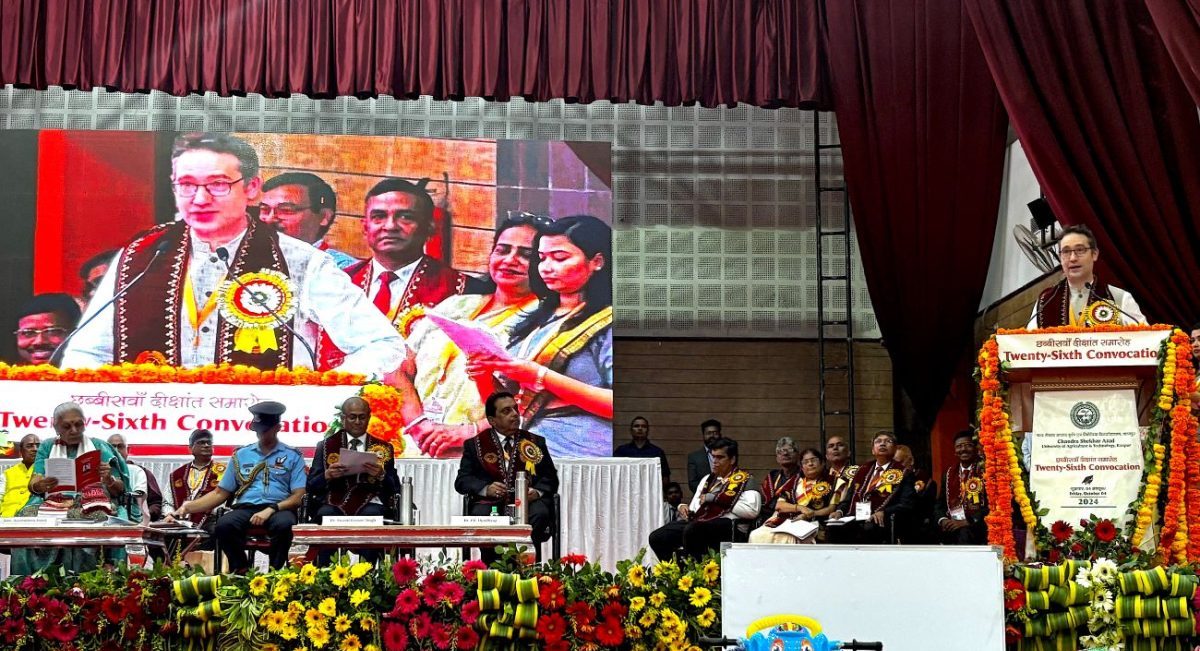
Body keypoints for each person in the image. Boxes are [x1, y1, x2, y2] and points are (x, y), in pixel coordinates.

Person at [60, 132, 406, 377]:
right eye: (186, 185)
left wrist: (323, 395)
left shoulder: (300, 262)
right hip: (152, 435)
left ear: (252, 188)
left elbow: (384, 346)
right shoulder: (140, 257)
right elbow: (85, 354)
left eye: (218, 185)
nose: (199, 199)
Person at [396, 213, 549, 458]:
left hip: (481, 451)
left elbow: (536, 404)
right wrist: (418, 425)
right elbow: (399, 369)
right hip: (414, 440)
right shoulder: (456, 305)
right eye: (503, 250)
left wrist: (468, 432)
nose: (510, 260)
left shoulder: (545, 320)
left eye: (526, 255)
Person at [465, 215, 613, 458]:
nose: (546, 267)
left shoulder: (607, 322)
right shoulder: (535, 316)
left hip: (583, 452)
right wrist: (483, 374)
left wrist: (540, 376)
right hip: (526, 450)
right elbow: (506, 407)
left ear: (596, 261)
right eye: (542, 258)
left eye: (560, 258)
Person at [317, 177, 484, 369]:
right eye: (378, 216)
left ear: (430, 227)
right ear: (365, 227)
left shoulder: (464, 290)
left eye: (405, 217)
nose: (390, 226)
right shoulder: (337, 284)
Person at [168, 401, 306, 572]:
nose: (261, 434)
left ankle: (275, 574)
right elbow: (220, 493)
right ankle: (241, 571)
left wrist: (271, 509)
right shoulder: (241, 455)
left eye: (265, 430)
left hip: (279, 508)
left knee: (285, 525)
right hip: (246, 508)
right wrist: (187, 507)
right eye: (258, 430)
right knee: (224, 525)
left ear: (278, 428)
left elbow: (299, 495)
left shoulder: (292, 456)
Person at [14, 402, 131, 574]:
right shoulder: (47, 446)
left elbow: (120, 489)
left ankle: (84, 581)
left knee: (88, 517)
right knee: (23, 518)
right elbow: (34, 482)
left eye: (78, 424)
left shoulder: (99, 445)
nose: (74, 430)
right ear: (56, 427)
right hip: (54, 500)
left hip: (92, 500)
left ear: (85, 423)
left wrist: (109, 479)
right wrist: (41, 485)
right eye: (67, 426)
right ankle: (30, 583)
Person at [454, 392, 558, 564]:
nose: (515, 414)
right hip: (490, 505)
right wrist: (486, 488)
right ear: (492, 420)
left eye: (515, 409)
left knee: (540, 513)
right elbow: (462, 480)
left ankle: (525, 564)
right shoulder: (475, 445)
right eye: (506, 411)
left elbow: (550, 479)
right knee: (483, 516)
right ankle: (494, 568)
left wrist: (537, 492)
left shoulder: (535, 442)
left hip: (528, 504)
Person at [307, 397, 400, 565]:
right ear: (343, 418)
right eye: (352, 417)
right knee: (325, 515)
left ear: (369, 417)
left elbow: (395, 488)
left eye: (362, 417)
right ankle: (325, 579)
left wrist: (381, 475)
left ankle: (369, 578)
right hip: (334, 501)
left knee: (372, 515)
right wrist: (327, 475)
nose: (357, 422)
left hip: (369, 501)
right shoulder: (326, 446)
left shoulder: (383, 447)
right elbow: (311, 486)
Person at [648, 438, 760, 561]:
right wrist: (684, 509)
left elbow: (751, 510)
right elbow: (695, 508)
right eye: (713, 457)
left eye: (720, 457)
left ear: (732, 459)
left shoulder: (745, 480)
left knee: (693, 530)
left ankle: (700, 575)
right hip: (700, 523)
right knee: (657, 537)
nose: (714, 462)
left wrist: (716, 498)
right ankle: (678, 573)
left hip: (728, 525)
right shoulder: (708, 479)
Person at [1028, 224, 1146, 328]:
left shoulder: (1119, 298)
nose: (1073, 258)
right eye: (1066, 251)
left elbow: (1146, 342)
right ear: (1060, 257)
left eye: (1080, 250)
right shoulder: (1045, 302)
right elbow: (1028, 346)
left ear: (1094, 254)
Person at [829, 431, 915, 545]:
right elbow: (848, 498)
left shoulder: (903, 472)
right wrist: (839, 511)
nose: (882, 444)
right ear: (873, 450)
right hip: (856, 517)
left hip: (881, 521)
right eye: (878, 441)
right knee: (833, 527)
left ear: (894, 449)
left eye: (888, 441)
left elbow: (907, 503)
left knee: (869, 528)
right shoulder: (862, 470)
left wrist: (884, 512)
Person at [259, 172, 356, 269]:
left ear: (323, 217)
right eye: (264, 209)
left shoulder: (344, 270)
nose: (269, 219)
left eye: (286, 210)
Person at [749, 447, 837, 544]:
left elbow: (831, 508)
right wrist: (799, 508)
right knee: (757, 535)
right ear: (802, 468)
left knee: (789, 538)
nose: (810, 464)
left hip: (812, 522)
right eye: (805, 462)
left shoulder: (832, 481)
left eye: (813, 460)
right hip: (787, 521)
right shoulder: (795, 482)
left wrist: (809, 514)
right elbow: (779, 505)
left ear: (822, 463)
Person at [163, 429, 225, 553]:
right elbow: (167, 502)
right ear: (190, 448)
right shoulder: (177, 474)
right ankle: (170, 568)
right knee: (157, 534)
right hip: (179, 519)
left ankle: (195, 566)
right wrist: (169, 514)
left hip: (209, 518)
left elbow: (226, 497)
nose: (206, 445)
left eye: (209, 443)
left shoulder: (223, 470)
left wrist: (210, 511)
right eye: (201, 442)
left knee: (218, 531)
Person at [934, 430, 988, 545]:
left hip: (977, 526)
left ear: (976, 448)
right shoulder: (949, 473)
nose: (963, 449)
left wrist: (968, 521)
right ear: (955, 451)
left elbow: (992, 505)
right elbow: (939, 504)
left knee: (965, 532)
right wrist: (943, 520)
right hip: (952, 523)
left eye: (968, 445)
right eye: (959, 446)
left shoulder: (985, 471)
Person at [107, 433, 163, 524]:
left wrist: (144, 517)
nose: (116, 450)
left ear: (127, 450)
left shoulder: (141, 472)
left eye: (120, 446)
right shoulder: (99, 473)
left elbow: (155, 502)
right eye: (112, 447)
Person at [12, 294, 81, 365]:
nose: (39, 342)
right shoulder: (6, 375)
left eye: (52, 331)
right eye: (28, 333)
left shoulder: (90, 373)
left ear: (75, 334)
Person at [894, 444, 937, 543]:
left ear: (911, 460)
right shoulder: (889, 480)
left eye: (900, 463)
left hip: (917, 532)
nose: (896, 468)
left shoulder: (925, 481)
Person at [613, 416, 671, 483]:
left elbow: (665, 478)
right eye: (636, 426)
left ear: (647, 430)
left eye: (643, 426)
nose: (640, 428)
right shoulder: (621, 451)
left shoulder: (657, 452)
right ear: (631, 430)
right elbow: (615, 474)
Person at [757, 437, 801, 521]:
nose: (785, 453)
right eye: (780, 451)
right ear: (777, 457)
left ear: (798, 455)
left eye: (790, 450)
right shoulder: (772, 476)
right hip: (770, 517)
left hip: (795, 516)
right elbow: (764, 502)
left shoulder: (804, 475)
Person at [0, 434, 39, 517]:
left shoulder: (45, 470)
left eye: (38, 446)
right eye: (29, 446)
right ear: (21, 451)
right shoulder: (7, 473)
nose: (35, 449)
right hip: (6, 518)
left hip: (33, 520)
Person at [686, 419, 723, 492]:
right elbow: (692, 483)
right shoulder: (694, 457)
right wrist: (709, 492)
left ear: (720, 435)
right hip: (702, 497)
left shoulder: (727, 455)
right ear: (703, 435)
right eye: (708, 433)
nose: (712, 436)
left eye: (715, 433)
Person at [825, 435, 857, 505]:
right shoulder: (822, 476)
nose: (835, 448)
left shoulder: (858, 472)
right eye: (831, 446)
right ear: (826, 456)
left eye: (840, 445)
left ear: (848, 452)